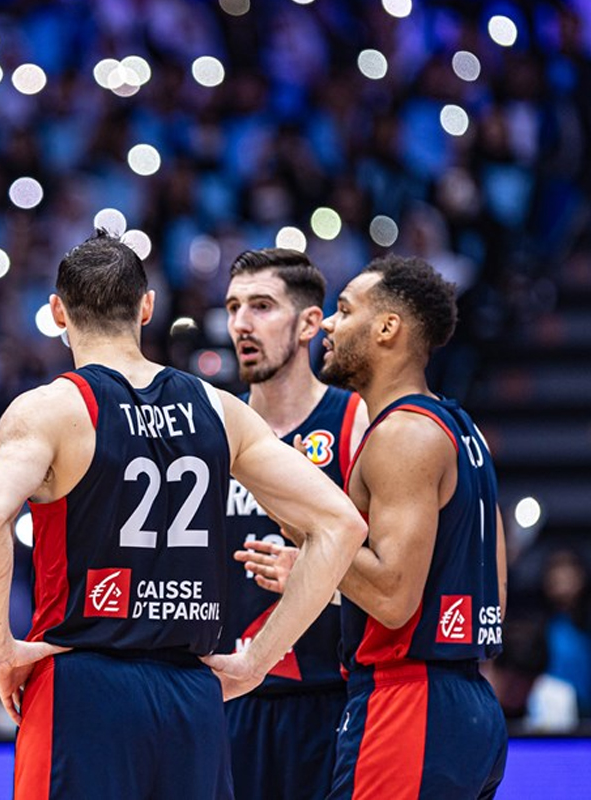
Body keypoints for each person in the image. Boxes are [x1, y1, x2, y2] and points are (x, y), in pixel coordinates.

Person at [0, 232, 367, 799]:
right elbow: (342, 525)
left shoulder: (50, 410)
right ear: (146, 307)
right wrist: (254, 663)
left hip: (81, 686)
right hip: (191, 696)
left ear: (57, 312)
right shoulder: (219, 409)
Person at [282, 254, 507, 799]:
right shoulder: (459, 426)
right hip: (469, 702)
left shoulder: (402, 435)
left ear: (388, 328)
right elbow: (496, 586)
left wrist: (309, 529)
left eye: (343, 309)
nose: (328, 325)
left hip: (409, 701)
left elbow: (392, 596)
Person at [221, 248, 368, 800]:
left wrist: (322, 577)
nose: (241, 323)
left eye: (261, 306)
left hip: (329, 696)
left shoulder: (357, 421)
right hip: (228, 694)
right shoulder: (212, 424)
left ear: (310, 322)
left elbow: (396, 570)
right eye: (234, 306)